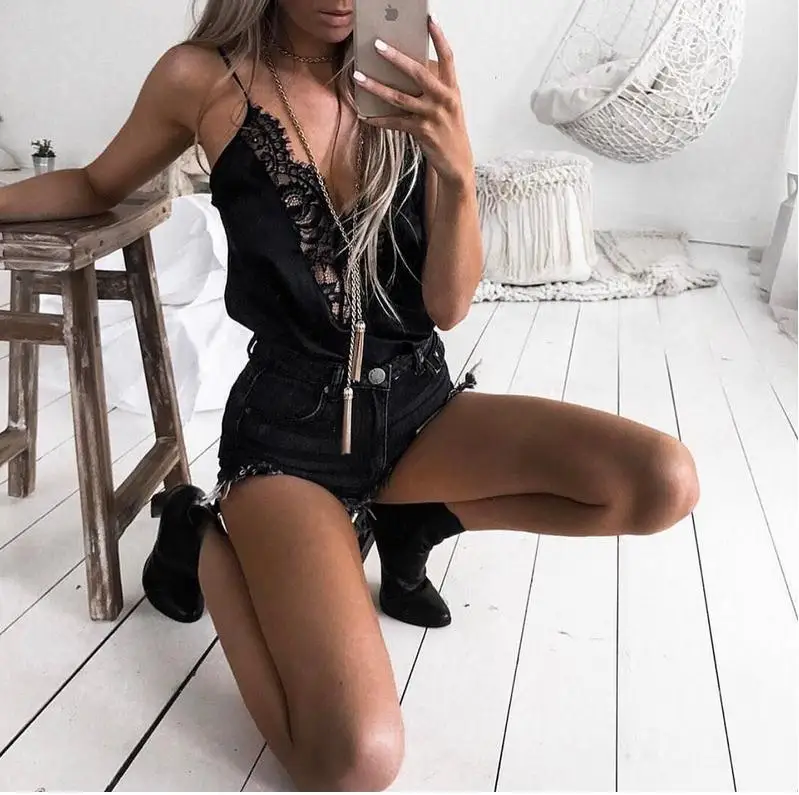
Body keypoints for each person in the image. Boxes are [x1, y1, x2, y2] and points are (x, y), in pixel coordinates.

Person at [0, 1, 700, 789]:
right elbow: (96, 181)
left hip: (418, 406)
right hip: (288, 438)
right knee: (353, 760)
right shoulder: (201, 78)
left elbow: (447, 306)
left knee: (660, 482)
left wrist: (455, 167)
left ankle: (408, 517)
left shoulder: (401, 72)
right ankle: (198, 534)